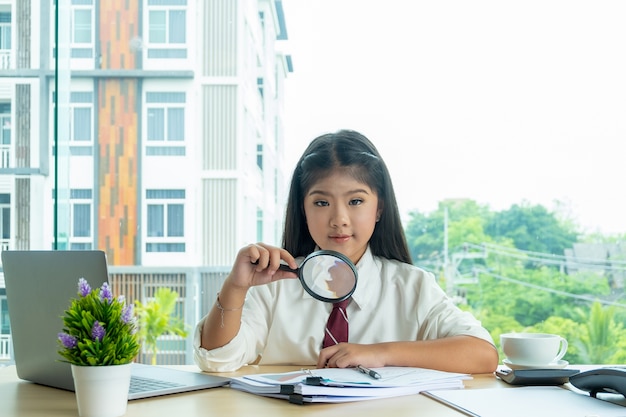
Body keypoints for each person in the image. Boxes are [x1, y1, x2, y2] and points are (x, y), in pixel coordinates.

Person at [193, 129, 498, 374]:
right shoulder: (273, 285)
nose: (339, 219)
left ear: (379, 208)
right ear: (303, 209)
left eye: (355, 201)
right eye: (321, 202)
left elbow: (482, 354)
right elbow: (216, 360)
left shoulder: (412, 286)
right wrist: (236, 287)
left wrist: (380, 353)